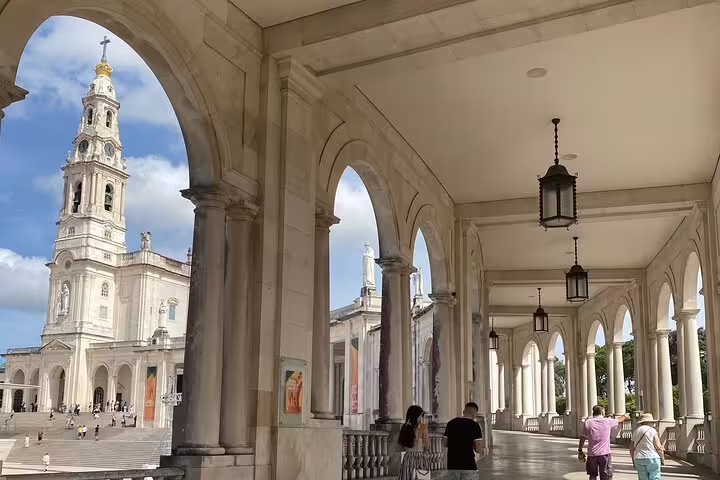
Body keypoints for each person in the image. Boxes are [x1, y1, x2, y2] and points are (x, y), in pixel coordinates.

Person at [578, 405, 628, 480]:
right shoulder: (607, 421)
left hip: (592, 453)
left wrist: (580, 450)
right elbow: (620, 420)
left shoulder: (588, 422)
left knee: (592, 475)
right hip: (604, 453)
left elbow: (582, 437)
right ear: (602, 412)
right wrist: (625, 416)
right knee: (606, 475)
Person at [443, 402, 485, 479]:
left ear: (463, 411)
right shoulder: (475, 426)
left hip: (452, 466)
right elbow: (478, 449)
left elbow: (444, 443)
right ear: (475, 414)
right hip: (468, 466)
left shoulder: (451, 423)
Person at [397, 405, 431, 479]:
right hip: (419, 458)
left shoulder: (404, 427)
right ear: (417, 415)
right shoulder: (422, 427)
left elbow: (401, 447)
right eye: (421, 415)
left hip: (407, 458)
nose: (422, 417)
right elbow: (428, 446)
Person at [630, 413, 665, 480]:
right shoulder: (652, 430)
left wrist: (633, 460)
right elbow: (658, 447)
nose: (653, 424)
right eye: (652, 422)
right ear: (648, 422)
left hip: (638, 458)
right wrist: (662, 458)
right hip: (652, 457)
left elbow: (631, 448)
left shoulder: (636, 431)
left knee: (643, 478)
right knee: (655, 477)